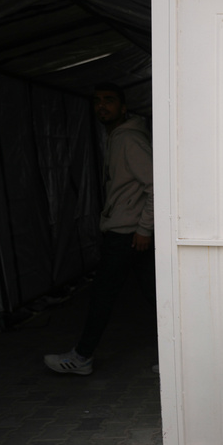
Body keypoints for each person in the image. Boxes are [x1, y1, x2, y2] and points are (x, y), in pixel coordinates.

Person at [44, 83, 155, 375]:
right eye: (97, 102)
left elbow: (156, 184)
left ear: (123, 106)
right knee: (157, 297)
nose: (102, 106)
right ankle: (181, 355)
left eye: (109, 101)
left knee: (103, 296)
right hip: (128, 232)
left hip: (127, 234)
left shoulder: (129, 140)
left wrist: (144, 229)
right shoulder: (118, 137)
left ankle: (82, 356)